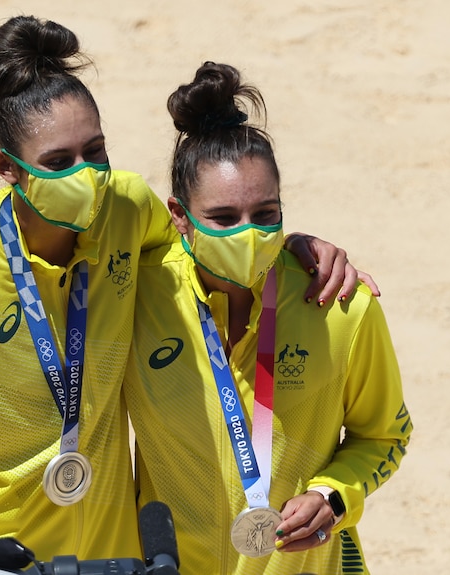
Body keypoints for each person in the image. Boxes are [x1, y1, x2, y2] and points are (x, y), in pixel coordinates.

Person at [0, 17, 374, 575]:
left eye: (96, 150)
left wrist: (289, 246)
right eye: (60, 162)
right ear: (5, 167)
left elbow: (211, 235)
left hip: (110, 552)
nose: (87, 175)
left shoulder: (128, 210)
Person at [124, 62, 412, 574]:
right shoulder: (138, 295)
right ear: (179, 216)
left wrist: (334, 495)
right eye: (224, 218)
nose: (249, 233)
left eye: (266, 215)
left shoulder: (341, 304)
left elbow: (385, 437)